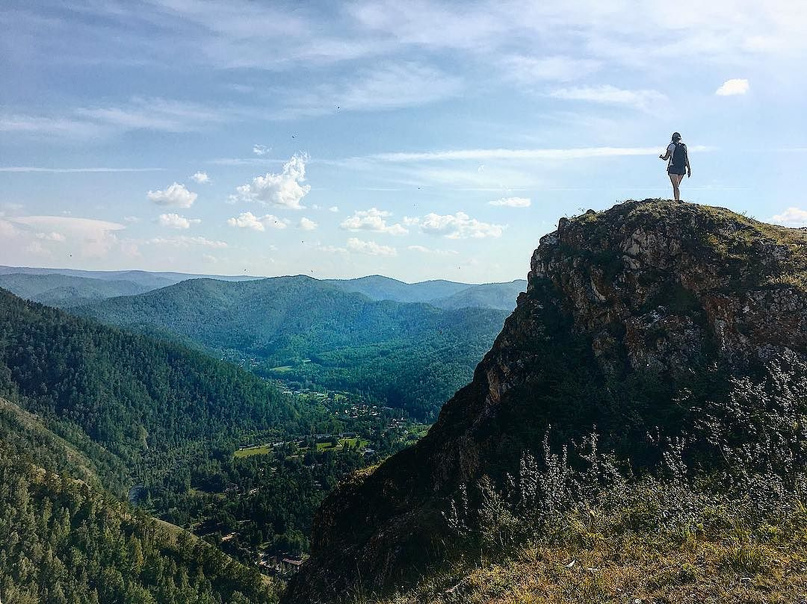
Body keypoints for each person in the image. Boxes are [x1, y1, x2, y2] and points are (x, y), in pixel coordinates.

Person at [659, 132, 691, 202]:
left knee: (675, 186)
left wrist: (661, 157)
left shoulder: (671, 146)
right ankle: (677, 199)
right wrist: (689, 169)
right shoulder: (684, 146)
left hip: (673, 168)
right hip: (682, 169)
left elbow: (666, 158)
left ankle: (677, 200)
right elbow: (686, 158)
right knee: (677, 186)